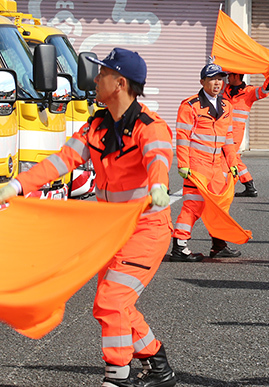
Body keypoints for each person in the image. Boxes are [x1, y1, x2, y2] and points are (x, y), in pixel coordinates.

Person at [0, 48, 177, 387]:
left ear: (120, 83)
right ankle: (157, 364)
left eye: (103, 74)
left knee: (111, 301)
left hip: (146, 231)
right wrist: (17, 185)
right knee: (110, 306)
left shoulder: (150, 127)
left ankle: (118, 376)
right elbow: (63, 160)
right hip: (110, 232)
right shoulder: (96, 125)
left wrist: (159, 186)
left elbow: (158, 157)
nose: (96, 80)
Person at [170, 63, 242, 262]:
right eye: (212, 79)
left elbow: (228, 137)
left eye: (220, 79)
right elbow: (182, 137)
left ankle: (218, 246)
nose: (217, 83)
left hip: (218, 166)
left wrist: (232, 162)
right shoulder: (190, 105)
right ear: (202, 82)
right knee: (193, 206)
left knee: (220, 206)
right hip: (197, 165)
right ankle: (179, 246)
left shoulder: (227, 105)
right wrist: (183, 164)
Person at [223, 66, 269, 197]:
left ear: (236, 76)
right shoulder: (225, 89)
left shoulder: (249, 91)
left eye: (229, 75)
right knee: (234, 157)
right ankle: (249, 186)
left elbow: (264, 90)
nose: (227, 77)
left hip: (235, 132)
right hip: (222, 130)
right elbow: (212, 82)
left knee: (228, 157)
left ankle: (224, 187)